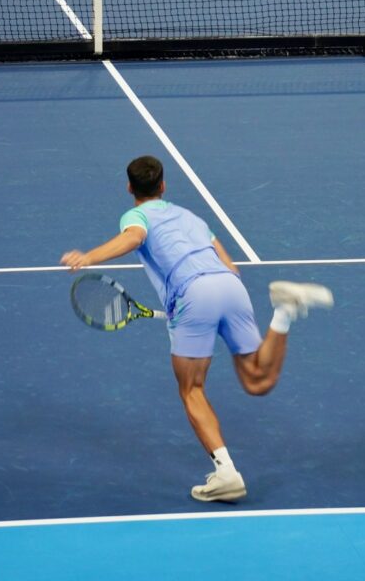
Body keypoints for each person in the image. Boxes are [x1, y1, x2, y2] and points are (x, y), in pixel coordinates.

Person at [61, 155, 333, 503]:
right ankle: (283, 312)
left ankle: (226, 474)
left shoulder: (135, 215)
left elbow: (133, 238)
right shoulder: (191, 217)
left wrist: (89, 257)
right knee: (257, 380)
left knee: (191, 389)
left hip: (193, 294)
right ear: (163, 186)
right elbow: (229, 265)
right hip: (231, 287)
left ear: (130, 188)